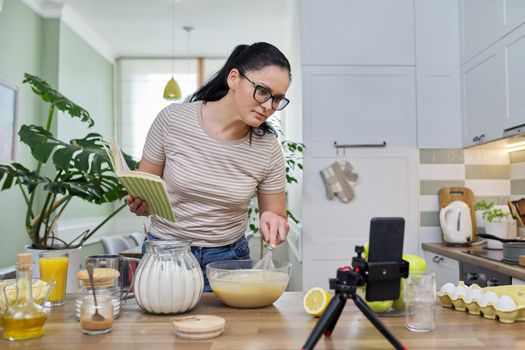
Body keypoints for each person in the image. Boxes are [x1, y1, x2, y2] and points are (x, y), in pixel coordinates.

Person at [127, 42, 292, 291]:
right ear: (234, 78)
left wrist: (274, 220)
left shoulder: (267, 148)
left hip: (228, 261)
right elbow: (145, 188)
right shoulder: (172, 120)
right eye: (262, 91)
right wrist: (141, 202)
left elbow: (275, 215)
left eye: (278, 99)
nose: (269, 106)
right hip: (166, 256)